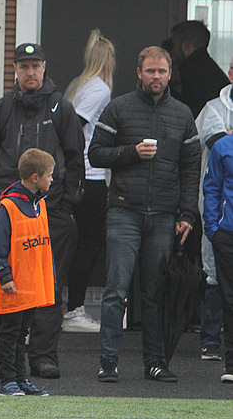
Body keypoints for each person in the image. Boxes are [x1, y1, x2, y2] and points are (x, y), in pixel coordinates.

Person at [88, 45, 199, 383]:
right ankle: (108, 362)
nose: (156, 77)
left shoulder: (182, 114)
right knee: (116, 290)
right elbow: (95, 154)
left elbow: (191, 169)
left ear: (170, 74)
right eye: (150, 71)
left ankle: (156, 363)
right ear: (139, 73)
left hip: (165, 215)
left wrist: (188, 214)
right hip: (124, 210)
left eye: (162, 71)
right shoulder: (119, 107)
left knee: (154, 294)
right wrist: (131, 153)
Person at [0, 42, 85, 379]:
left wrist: (66, 207)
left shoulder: (63, 110)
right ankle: (3, 356)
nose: (30, 72)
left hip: (51, 214)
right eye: (24, 66)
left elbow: (76, 160)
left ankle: (43, 357)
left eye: (35, 66)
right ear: (15, 71)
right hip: (7, 211)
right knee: (4, 283)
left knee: (49, 286)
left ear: (44, 67)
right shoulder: (0, 109)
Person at [0, 148, 55, 397]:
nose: (52, 180)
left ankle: (20, 379)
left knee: (21, 335)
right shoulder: (8, 207)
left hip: (31, 285)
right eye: (49, 175)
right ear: (35, 177)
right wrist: (4, 276)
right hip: (13, 284)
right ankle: (8, 381)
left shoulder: (39, 204)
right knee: (9, 333)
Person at [62, 29, 115, 332]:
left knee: (72, 243)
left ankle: (62, 306)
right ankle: (74, 310)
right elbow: (77, 125)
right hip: (90, 175)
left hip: (78, 173)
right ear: (107, 60)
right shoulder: (100, 90)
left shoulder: (78, 85)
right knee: (89, 245)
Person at [193, 56, 233, 362]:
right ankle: (210, 338)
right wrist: (212, 223)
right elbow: (219, 144)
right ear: (230, 74)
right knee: (214, 273)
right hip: (220, 210)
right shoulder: (214, 109)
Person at [200, 128, 233, 383]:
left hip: (224, 232)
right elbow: (211, 187)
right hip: (227, 234)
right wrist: (213, 228)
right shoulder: (222, 146)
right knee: (230, 298)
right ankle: (232, 363)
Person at [168, 20, 228, 119]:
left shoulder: (190, 71)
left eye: (174, 45)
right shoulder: (211, 69)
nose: (172, 51)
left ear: (185, 46)